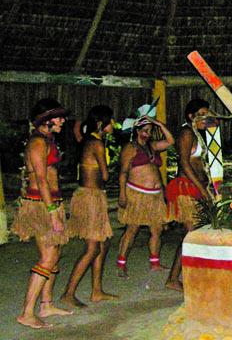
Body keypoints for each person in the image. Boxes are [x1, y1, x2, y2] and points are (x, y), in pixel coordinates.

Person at [12, 98, 73, 328]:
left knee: (54, 254)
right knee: (48, 257)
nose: (63, 121)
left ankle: (46, 304)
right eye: (59, 117)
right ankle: (26, 313)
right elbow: (41, 179)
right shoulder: (38, 142)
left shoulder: (48, 139)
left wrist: (56, 206)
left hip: (49, 202)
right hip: (40, 204)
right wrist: (52, 211)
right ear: (47, 120)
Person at [60, 106, 118, 308]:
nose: (114, 124)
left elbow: (78, 131)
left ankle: (96, 291)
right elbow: (104, 175)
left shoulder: (88, 140)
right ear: (102, 124)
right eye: (111, 121)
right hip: (91, 197)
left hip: (90, 195)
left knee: (104, 243)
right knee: (92, 248)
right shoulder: (96, 143)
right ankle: (68, 293)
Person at [116, 104, 174, 277]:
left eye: (149, 130)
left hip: (154, 196)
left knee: (157, 230)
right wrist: (122, 194)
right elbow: (123, 172)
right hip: (137, 194)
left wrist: (157, 123)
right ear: (136, 130)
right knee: (132, 229)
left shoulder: (152, 146)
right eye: (143, 130)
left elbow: (171, 141)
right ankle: (121, 263)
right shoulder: (130, 148)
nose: (146, 133)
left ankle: (155, 263)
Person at [164, 99, 215, 291]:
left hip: (195, 186)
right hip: (186, 187)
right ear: (190, 116)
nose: (206, 118)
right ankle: (173, 278)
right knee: (193, 234)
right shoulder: (187, 133)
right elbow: (184, 163)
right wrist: (203, 191)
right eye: (201, 114)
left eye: (207, 114)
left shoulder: (196, 133)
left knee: (195, 233)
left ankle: (185, 275)